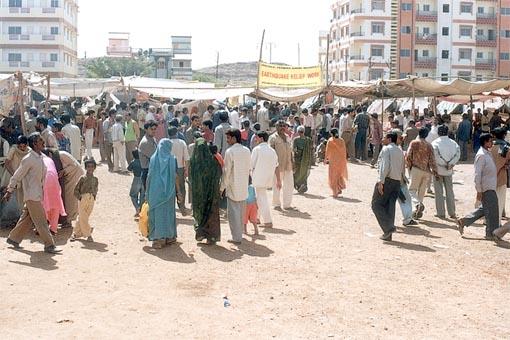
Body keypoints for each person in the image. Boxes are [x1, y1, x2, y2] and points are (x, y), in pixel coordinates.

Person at [2, 133, 61, 254]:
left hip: (37, 194)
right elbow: (17, 175)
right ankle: (49, 245)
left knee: (27, 218)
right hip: (32, 195)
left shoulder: (40, 157)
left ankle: (13, 239)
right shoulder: (28, 159)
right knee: (41, 221)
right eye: (40, 140)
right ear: (34, 144)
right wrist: (9, 190)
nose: (43, 142)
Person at [457, 133, 500, 241]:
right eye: (490, 141)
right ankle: (491, 233)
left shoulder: (488, 153)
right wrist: (479, 190)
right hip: (486, 187)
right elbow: (477, 175)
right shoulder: (481, 155)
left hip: (490, 185)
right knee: (492, 211)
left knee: (485, 209)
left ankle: (464, 221)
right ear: (485, 142)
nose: (492, 143)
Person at [371, 132, 405, 241]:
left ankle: (388, 228)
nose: (382, 139)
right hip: (396, 181)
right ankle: (387, 234)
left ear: (389, 139)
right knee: (390, 207)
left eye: (384, 137)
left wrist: (381, 182)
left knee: (376, 204)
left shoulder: (386, 149)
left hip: (387, 180)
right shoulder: (400, 150)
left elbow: (384, 166)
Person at [221, 128, 251, 245]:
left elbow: (227, 172)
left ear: (234, 138)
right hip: (243, 185)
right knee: (241, 212)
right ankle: (239, 234)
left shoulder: (230, 152)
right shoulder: (247, 150)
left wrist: (221, 187)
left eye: (228, 138)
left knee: (233, 214)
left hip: (233, 185)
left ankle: (236, 237)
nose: (227, 141)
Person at [146, 139, 178, 249]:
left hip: (155, 192)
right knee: (168, 214)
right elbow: (175, 176)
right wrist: (179, 192)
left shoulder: (153, 159)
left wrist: (147, 191)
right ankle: (169, 236)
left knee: (157, 214)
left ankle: (158, 239)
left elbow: (149, 176)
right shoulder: (172, 159)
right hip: (169, 192)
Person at [190, 139, 222, 244]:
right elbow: (219, 174)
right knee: (211, 215)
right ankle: (211, 237)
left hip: (198, 194)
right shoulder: (213, 160)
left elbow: (191, 177)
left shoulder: (194, 161)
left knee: (200, 213)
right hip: (211, 194)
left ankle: (201, 233)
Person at [406, 127, 438, 219]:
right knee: (421, 192)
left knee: (411, 190)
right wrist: (435, 172)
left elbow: (408, 156)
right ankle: (416, 212)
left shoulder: (414, 143)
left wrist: (409, 168)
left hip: (416, 169)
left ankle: (417, 204)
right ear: (427, 135)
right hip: (426, 171)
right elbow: (432, 160)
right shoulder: (429, 145)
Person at [251, 131, 280, 228]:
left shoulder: (257, 149)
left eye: (257, 137)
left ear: (261, 138)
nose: (255, 139)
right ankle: (257, 218)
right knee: (260, 198)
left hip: (258, 177)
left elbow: (251, 165)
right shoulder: (272, 150)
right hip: (268, 178)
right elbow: (276, 165)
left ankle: (268, 221)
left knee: (261, 199)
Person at [431, 125, 460, 219]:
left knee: (438, 192)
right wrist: (450, 163)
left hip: (438, 170)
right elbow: (457, 155)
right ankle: (452, 212)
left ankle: (441, 213)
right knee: (450, 191)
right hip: (449, 170)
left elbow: (435, 156)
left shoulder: (434, 143)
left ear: (438, 133)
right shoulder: (454, 143)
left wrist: (444, 164)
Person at [269, 120, 294, 210]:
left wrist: (292, 162)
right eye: (280, 126)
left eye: (284, 126)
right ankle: (276, 204)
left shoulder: (288, 137)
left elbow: (291, 151)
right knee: (276, 185)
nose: (282, 127)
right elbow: (270, 153)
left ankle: (287, 205)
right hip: (277, 166)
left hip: (288, 165)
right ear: (276, 127)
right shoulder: (273, 138)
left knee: (289, 185)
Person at [71, 159, 98, 242]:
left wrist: (93, 197)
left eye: (92, 167)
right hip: (83, 198)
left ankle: (75, 233)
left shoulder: (95, 179)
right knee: (83, 217)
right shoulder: (82, 178)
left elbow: (96, 188)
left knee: (84, 217)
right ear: (86, 168)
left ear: (94, 168)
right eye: (88, 167)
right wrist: (80, 198)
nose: (90, 168)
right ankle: (88, 234)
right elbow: (76, 190)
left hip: (91, 199)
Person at [42, 153, 66, 234]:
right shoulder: (51, 160)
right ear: (49, 154)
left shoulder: (39, 160)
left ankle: (42, 228)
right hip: (54, 183)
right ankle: (53, 228)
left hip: (45, 182)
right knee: (55, 206)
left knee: (45, 204)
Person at [490, 127, 510, 224]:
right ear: (504, 135)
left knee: (489, 200)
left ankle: (487, 220)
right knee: (500, 201)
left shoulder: (489, 147)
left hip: (489, 177)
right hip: (501, 177)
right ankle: (496, 223)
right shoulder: (507, 148)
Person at [168, 127, 190, 215]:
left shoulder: (167, 143)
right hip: (180, 168)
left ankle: (171, 209)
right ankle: (182, 207)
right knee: (181, 188)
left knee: (170, 188)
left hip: (169, 168)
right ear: (176, 133)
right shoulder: (182, 142)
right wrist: (186, 169)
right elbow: (187, 157)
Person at [4, 135, 30, 208]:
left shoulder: (29, 151)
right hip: (15, 177)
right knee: (18, 198)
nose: (22, 148)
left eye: (24, 146)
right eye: (20, 147)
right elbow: (7, 163)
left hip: (26, 178)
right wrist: (14, 175)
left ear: (26, 145)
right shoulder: (14, 149)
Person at [324, 128, 348, 198]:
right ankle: (339, 188)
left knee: (332, 176)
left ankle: (335, 192)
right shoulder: (341, 140)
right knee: (338, 175)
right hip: (340, 161)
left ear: (332, 134)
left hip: (333, 161)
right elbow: (344, 151)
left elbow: (327, 151)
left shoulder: (330, 140)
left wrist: (325, 159)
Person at [292, 126, 313, 193]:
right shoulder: (308, 140)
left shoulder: (296, 139)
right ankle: (301, 186)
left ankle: (300, 186)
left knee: (299, 172)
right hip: (303, 159)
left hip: (300, 159)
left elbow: (294, 149)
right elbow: (311, 149)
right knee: (302, 172)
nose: (300, 133)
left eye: (301, 132)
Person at [138, 121, 158, 189]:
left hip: (152, 170)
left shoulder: (152, 138)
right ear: (146, 129)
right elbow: (155, 157)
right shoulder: (145, 142)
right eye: (151, 129)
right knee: (148, 196)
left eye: (155, 129)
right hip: (147, 171)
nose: (153, 131)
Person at [128, 149, 144, 218]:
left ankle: (137, 207)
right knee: (142, 196)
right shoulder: (143, 161)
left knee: (133, 195)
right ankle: (141, 210)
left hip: (136, 179)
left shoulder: (133, 162)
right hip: (143, 179)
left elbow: (129, 169)